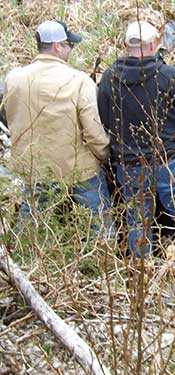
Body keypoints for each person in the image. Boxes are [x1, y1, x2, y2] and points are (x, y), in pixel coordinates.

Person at [97, 21, 175, 265]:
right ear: (152, 45)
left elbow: (104, 122)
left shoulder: (109, 79)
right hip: (169, 161)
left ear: (127, 46)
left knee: (137, 219)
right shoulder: (167, 75)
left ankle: (141, 271)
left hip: (129, 165)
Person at [4, 20, 114, 238]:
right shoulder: (79, 81)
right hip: (77, 169)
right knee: (99, 223)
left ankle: (21, 262)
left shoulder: (13, 79)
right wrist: (104, 154)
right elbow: (93, 131)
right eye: (68, 46)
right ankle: (105, 259)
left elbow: (11, 118)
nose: (70, 50)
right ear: (57, 46)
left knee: (30, 224)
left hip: (34, 168)